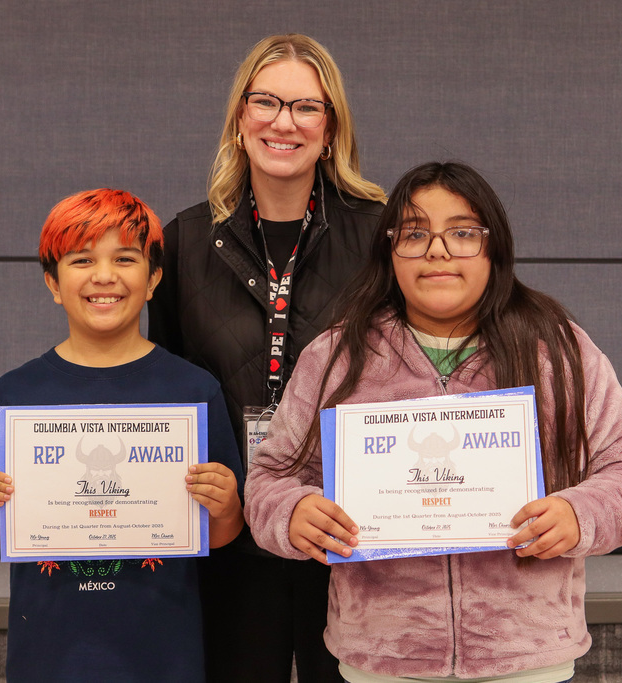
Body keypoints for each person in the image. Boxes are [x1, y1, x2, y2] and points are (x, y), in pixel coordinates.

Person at [244, 161, 622, 682]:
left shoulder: (557, 347)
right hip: (383, 660)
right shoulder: (336, 356)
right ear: (389, 252)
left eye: (462, 233)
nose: (438, 250)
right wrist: (292, 513)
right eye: (415, 234)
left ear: (493, 247)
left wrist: (580, 515)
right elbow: (268, 480)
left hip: (525, 656)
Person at [147, 33, 387, 683]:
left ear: (331, 127)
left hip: (349, 532)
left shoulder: (381, 236)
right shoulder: (186, 241)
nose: (284, 122)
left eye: (306, 107)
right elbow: (166, 387)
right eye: (266, 102)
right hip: (234, 539)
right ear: (239, 118)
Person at [0, 188, 244, 682]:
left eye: (125, 259)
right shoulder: (17, 393)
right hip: (49, 652)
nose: (104, 275)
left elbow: (220, 533)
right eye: (82, 259)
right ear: (53, 282)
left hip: (163, 654)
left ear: (153, 279)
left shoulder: (193, 389)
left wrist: (227, 505)